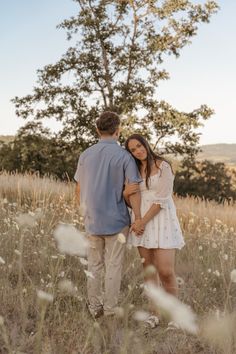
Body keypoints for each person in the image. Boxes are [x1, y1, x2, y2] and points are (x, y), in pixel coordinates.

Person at [74, 112, 143, 318]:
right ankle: (111, 310)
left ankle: (94, 308)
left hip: (92, 220)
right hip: (117, 221)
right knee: (113, 267)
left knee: (94, 266)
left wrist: (85, 212)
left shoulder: (85, 155)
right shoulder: (124, 156)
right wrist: (138, 218)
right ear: (118, 130)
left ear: (98, 130)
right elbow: (134, 189)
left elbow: (78, 189)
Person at [123, 134, 185, 327]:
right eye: (133, 150)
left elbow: (162, 199)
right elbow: (129, 199)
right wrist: (126, 196)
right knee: (149, 270)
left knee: (166, 271)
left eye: (139, 146)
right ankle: (154, 314)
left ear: (146, 144)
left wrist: (143, 221)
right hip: (140, 221)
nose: (138, 151)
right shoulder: (132, 170)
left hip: (161, 220)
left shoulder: (163, 166)